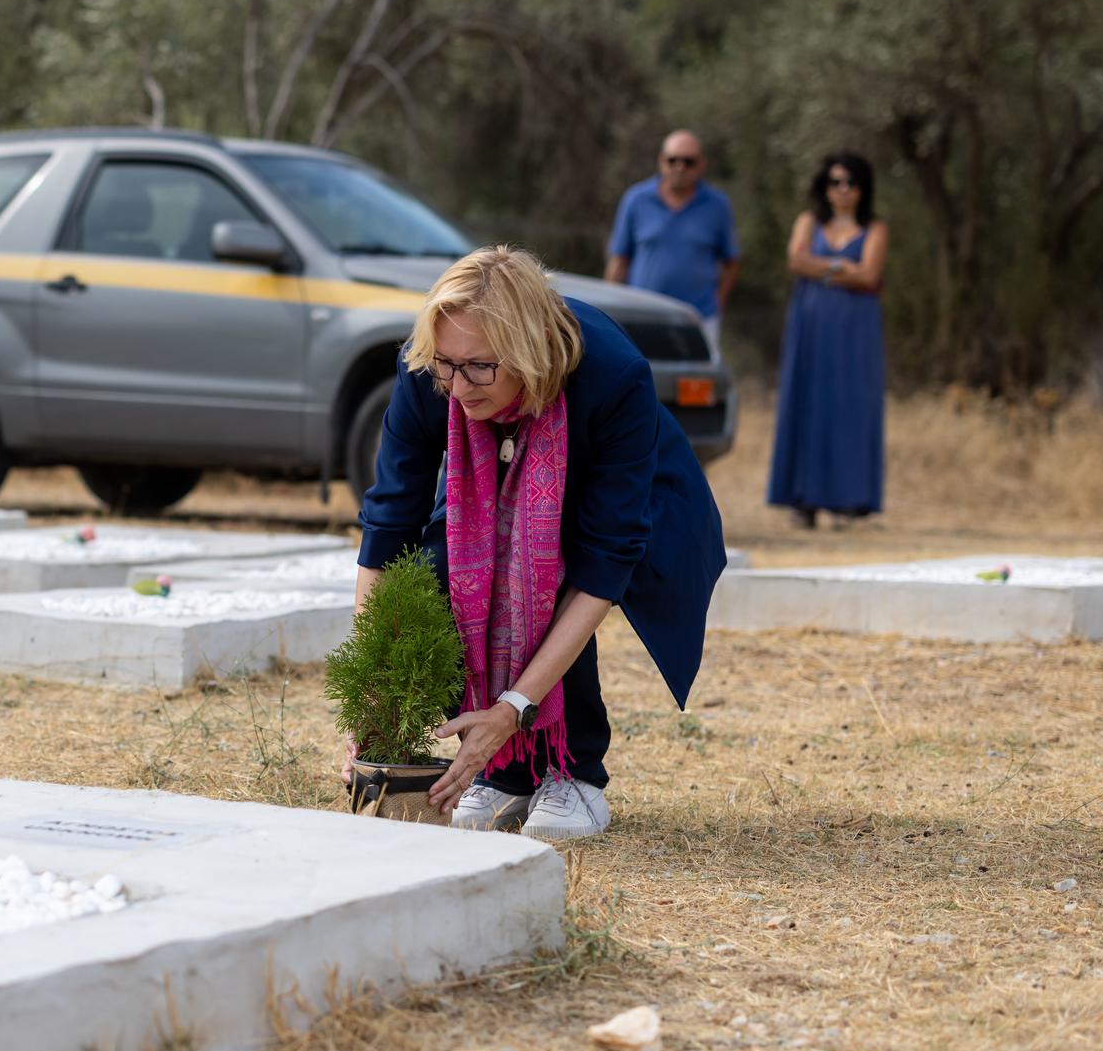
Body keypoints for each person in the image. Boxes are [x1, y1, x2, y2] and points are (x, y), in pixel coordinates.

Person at [349, 246, 726, 839]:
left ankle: (574, 770)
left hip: (623, 494)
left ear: (526, 350)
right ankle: (507, 771)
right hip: (494, 480)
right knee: (446, 565)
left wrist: (515, 707)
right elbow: (388, 522)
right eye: (446, 365)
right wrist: (372, 684)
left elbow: (603, 564)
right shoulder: (434, 369)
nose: (457, 385)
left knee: (545, 570)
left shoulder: (611, 373)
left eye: (478, 367)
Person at [767, 152, 888, 526]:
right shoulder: (809, 222)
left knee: (851, 404)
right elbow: (795, 261)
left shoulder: (875, 228)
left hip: (855, 329)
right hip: (811, 325)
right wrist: (841, 268)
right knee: (808, 401)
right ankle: (803, 499)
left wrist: (819, 267)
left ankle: (849, 501)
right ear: (825, 187)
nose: (844, 190)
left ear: (863, 189)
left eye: (852, 183)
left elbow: (869, 274)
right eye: (836, 182)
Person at [605, 129, 741, 355]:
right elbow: (620, 261)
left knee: (697, 386)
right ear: (661, 162)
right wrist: (609, 313)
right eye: (672, 160)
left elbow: (731, 262)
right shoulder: (636, 200)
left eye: (688, 161)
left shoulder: (717, 205)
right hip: (641, 318)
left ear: (701, 165)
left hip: (699, 320)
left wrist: (717, 303)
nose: (679, 167)